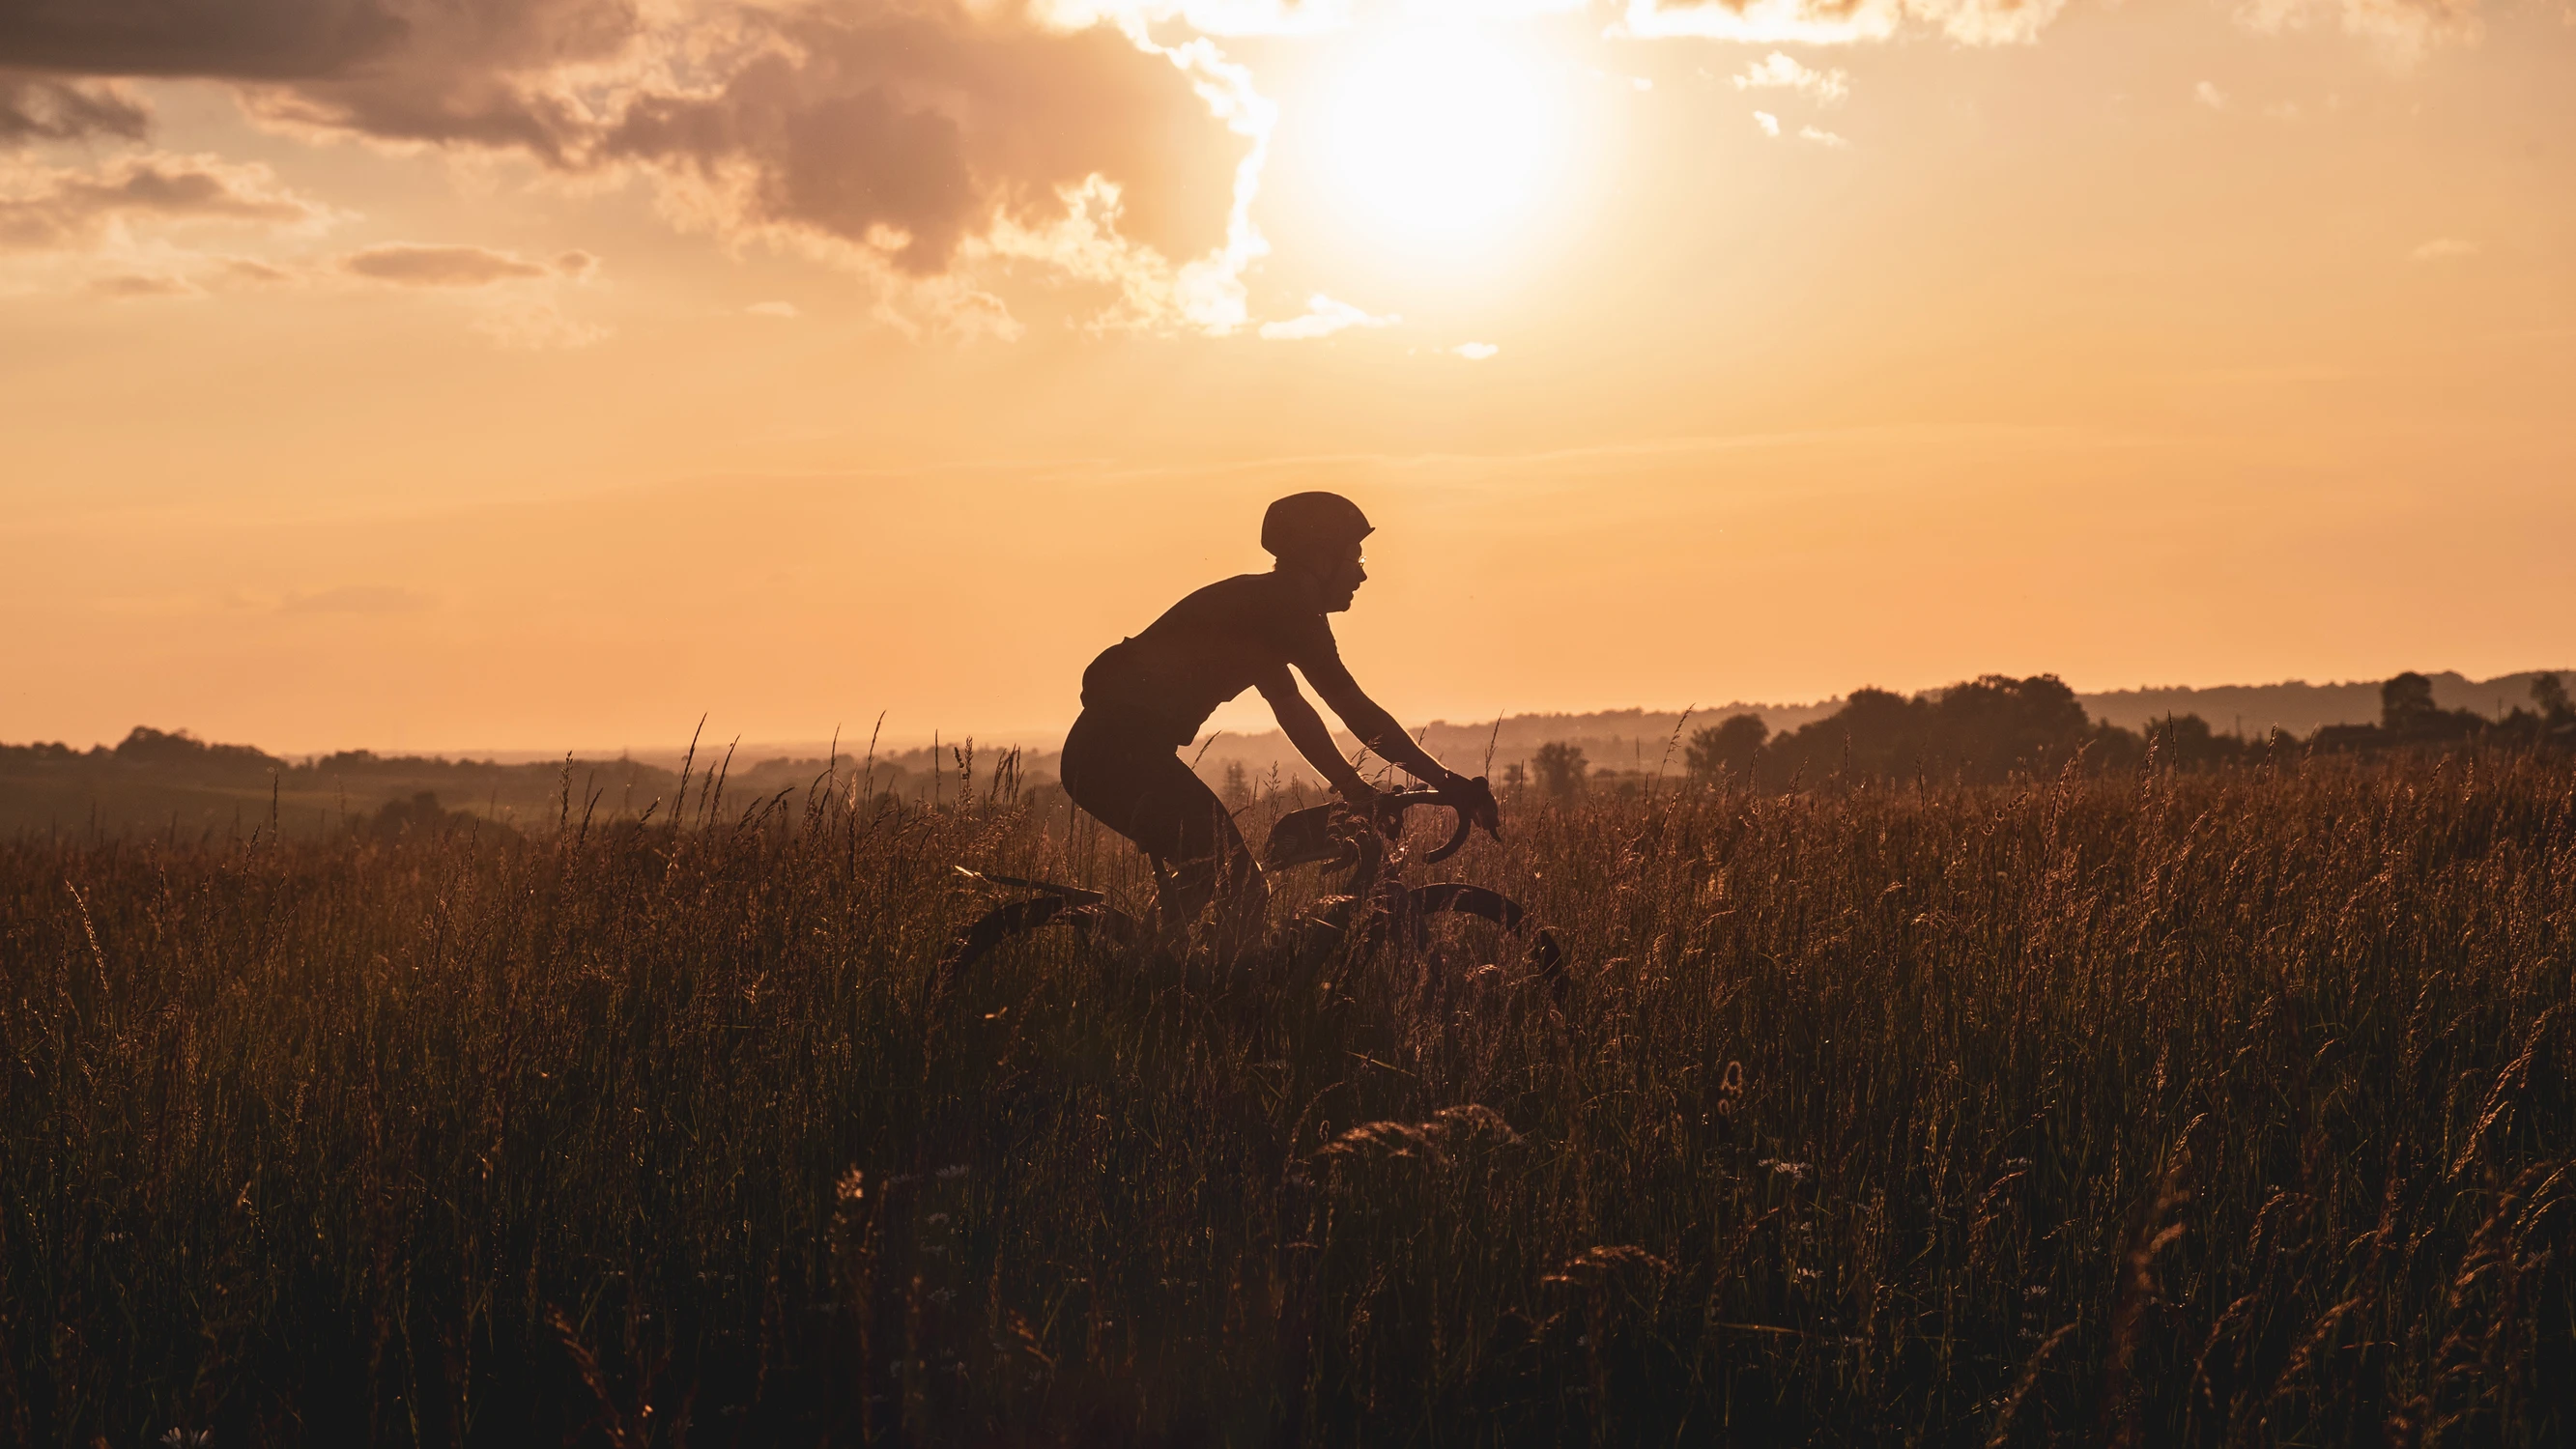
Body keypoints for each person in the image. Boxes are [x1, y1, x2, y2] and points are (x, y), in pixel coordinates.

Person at [1060, 492, 1498, 946]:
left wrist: (1355, 790)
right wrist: (1445, 781)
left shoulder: (1261, 606)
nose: (1362, 573)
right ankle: (1170, 993)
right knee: (1241, 884)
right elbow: (1356, 711)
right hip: (1119, 757)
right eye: (1356, 556)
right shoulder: (1286, 608)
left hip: (1107, 753)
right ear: (1320, 557)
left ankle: (1156, 975)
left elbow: (1296, 713)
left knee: (1219, 880)